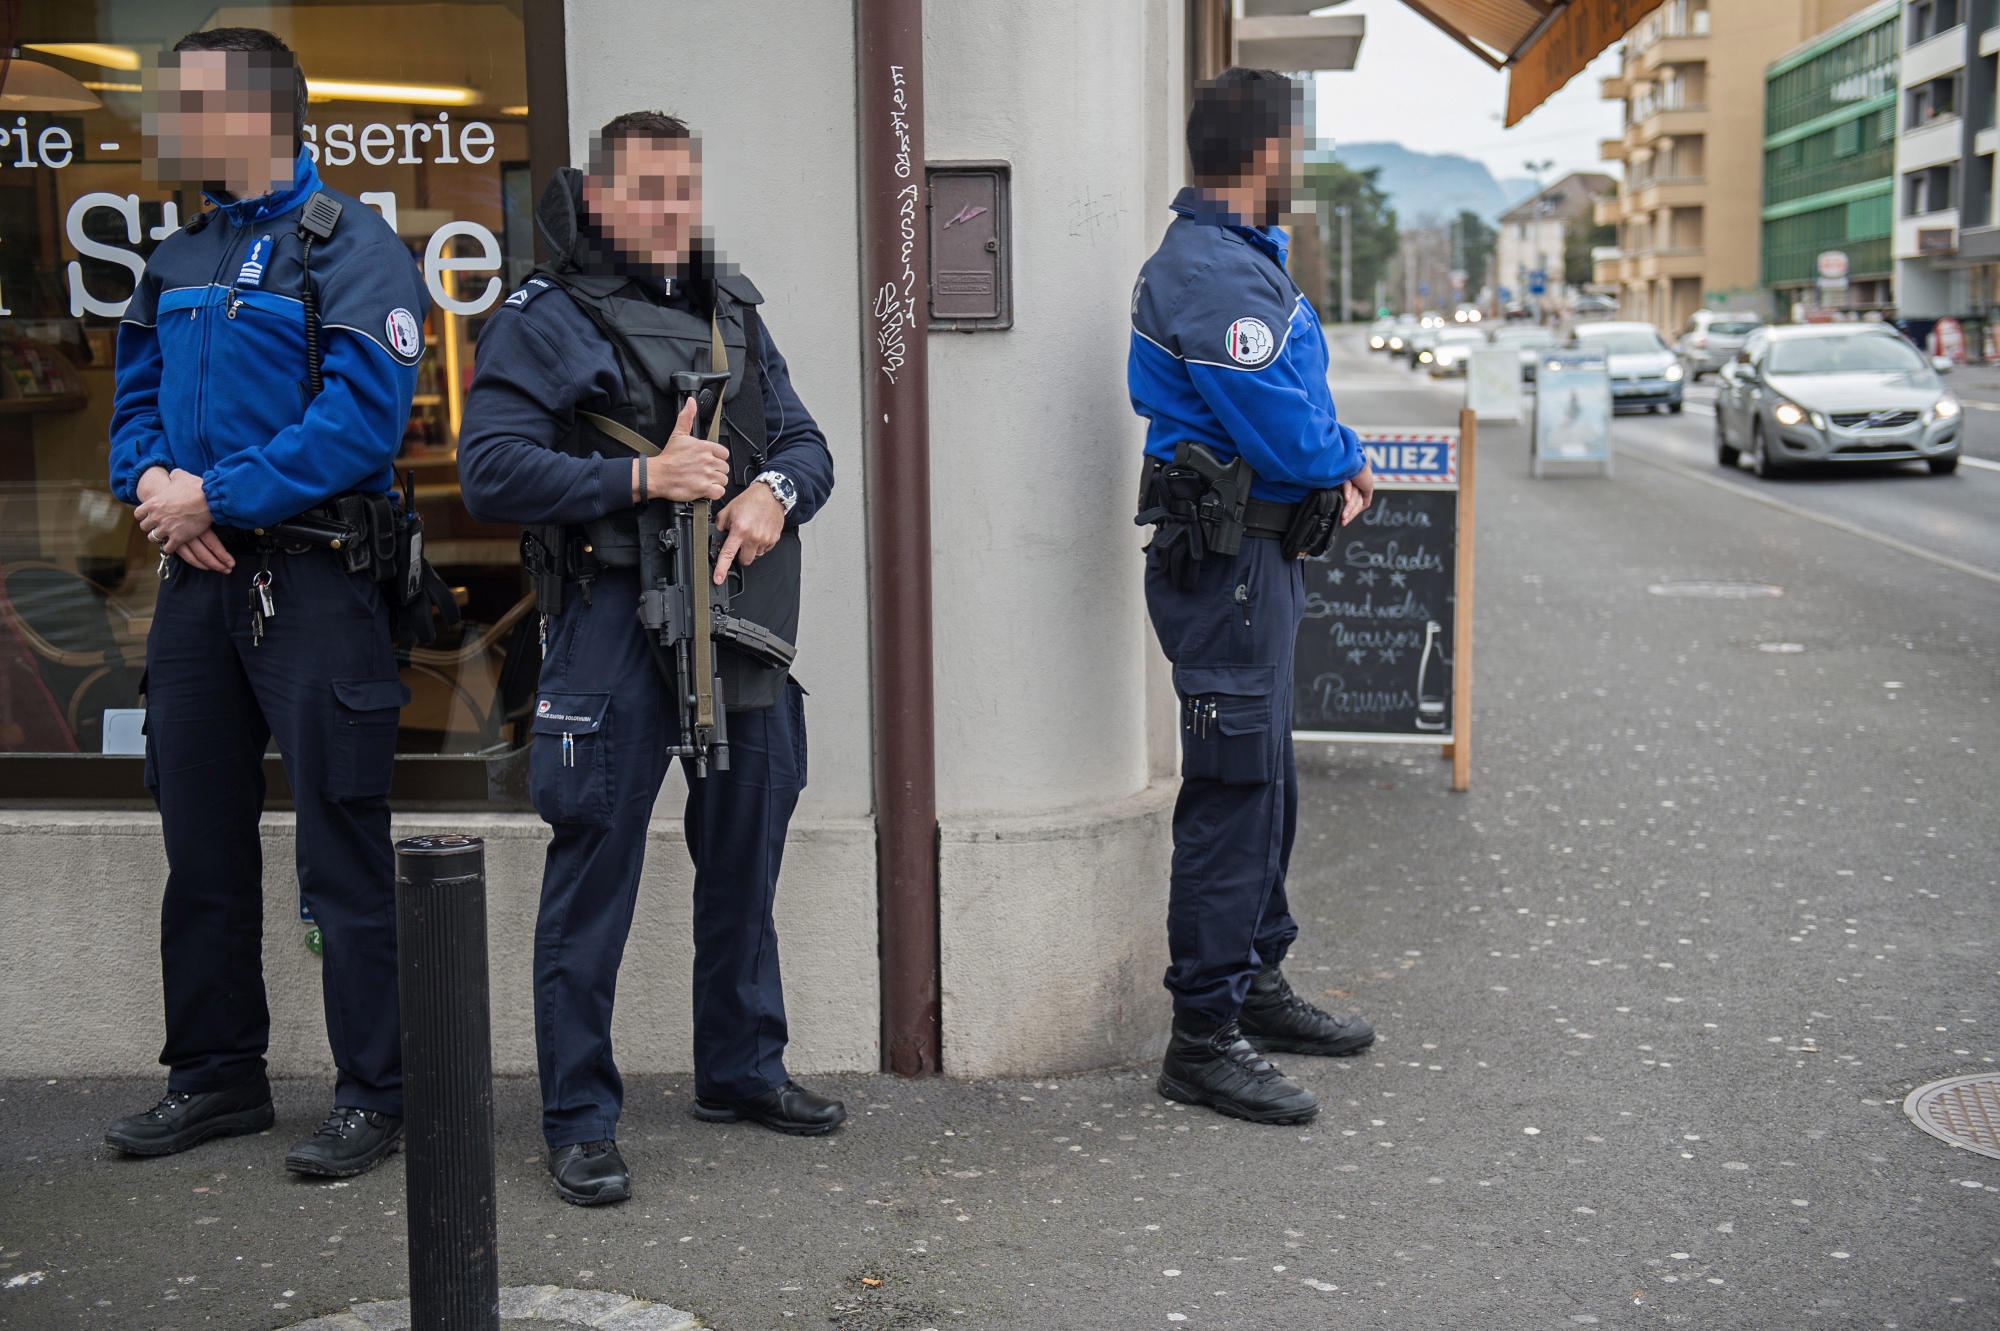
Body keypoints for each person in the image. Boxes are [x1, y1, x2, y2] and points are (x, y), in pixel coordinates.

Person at [457, 111, 840, 1207]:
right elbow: (488, 472)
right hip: (609, 618)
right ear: (599, 197)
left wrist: (772, 494)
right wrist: (638, 483)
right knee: (593, 875)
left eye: (686, 187)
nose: (672, 209)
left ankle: (740, 1067)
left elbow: (807, 443)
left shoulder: (730, 308)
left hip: (732, 617)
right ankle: (578, 1117)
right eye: (650, 189)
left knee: (745, 850)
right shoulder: (543, 316)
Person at [103, 27, 428, 1175]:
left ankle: (374, 1092)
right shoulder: (178, 255)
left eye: (182, 101)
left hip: (314, 581)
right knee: (199, 845)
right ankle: (216, 1077)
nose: (164, 123)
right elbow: (132, 397)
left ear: (256, 113)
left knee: (340, 847)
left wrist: (216, 495)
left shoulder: (349, 246)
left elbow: (360, 418)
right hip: (197, 592)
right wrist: (148, 481)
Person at [1128, 67, 1380, 1125]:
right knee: (1232, 794)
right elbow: (1280, 423)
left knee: (1263, 782)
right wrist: (1345, 457)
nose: (1301, 165)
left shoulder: (1234, 260)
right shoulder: (1212, 272)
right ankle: (1201, 1036)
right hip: (1228, 568)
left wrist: (1330, 462)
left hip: (1254, 564)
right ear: (1266, 151)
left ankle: (1252, 984)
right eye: (1297, 145)